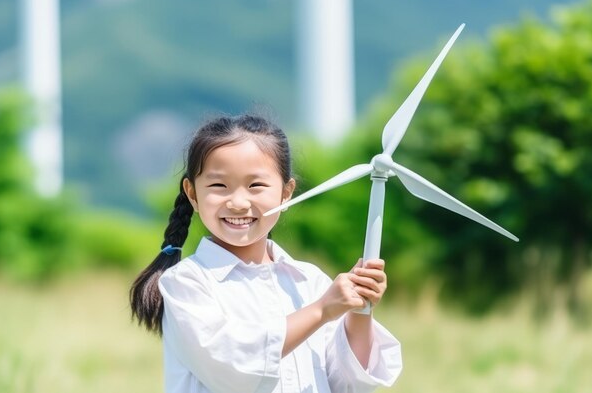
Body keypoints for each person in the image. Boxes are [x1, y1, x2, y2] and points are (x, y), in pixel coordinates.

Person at [130, 113, 402, 393]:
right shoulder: (185, 284)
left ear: (286, 194)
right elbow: (233, 367)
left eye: (255, 185)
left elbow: (348, 382)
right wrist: (322, 310)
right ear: (192, 193)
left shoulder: (309, 281)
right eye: (218, 186)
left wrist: (358, 308)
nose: (237, 202)